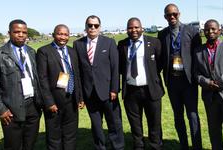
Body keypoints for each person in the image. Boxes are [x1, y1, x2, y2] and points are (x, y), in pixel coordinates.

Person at [73, 15, 124, 150]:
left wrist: (114, 89)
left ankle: (118, 147)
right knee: (96, 125)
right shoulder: (78, 44)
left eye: (96, 25)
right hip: (89, 93)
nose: (93, 28)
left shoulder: (109, 42)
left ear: (100, 27)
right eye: (90, 25)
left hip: (108, 92)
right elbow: (78, 72)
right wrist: (80, 96)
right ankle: (100, 147)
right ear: (86, 27)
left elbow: (115, 68)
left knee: (114, 123)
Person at [157, 3, 202, 150]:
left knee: (193, 115)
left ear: (179, 14)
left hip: (188, 81)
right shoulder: (162, 34)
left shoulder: (192, 31)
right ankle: (183, 145)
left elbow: (198, 57)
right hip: (172, 82)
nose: (172, 17)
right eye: (168, 15)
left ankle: (197, 146)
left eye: (174, 14)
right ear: (165, 17)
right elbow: (161, 57)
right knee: (178, 116)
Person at [194, 19, 223, 150]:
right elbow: (195, 73)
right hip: (210, 97)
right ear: (203, 32)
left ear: (219, 30)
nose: (210, 32)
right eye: (207, 29)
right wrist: (207, 82)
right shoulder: (198, 51)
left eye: (213, 29)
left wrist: (219, 82)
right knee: (214, 130)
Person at [118, 17, 164, 150]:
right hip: (131, 91)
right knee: (135, 124)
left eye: (136, 27)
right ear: (127, 29)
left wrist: (150, 76)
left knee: (154, 123)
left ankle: (156, 146)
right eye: (130, 28)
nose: (134, 30)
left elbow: (159, 63)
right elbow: (121, 66)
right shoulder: (122, 45)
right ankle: (138, 147)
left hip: (151, 90)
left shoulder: (154, 42)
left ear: (142, 28)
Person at [36, 24, 84, 150]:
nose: (63, 37)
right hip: (54, 102)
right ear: (53, 35)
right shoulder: (44, 52)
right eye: (60, 33)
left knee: (71, 134)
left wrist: (80, 98)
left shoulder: (72, 51)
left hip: (71, 100)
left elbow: (76, 75)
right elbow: (42, 79)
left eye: (66, 34)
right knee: (54, 136)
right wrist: (49, 102)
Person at [0, 19, 42, 150]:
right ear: (9, 33)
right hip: (11, 109)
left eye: (24, 32)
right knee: (13, 146)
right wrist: (1, 109)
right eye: (17, 32)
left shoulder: (31, 52)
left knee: (30, 144)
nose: (21, 35)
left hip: (33, 106)